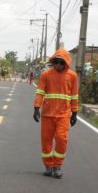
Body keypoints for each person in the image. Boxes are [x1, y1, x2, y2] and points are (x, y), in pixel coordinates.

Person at [33, 49, 79, 178]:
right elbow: (40, 92)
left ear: (66, 63)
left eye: (61, 62)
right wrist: (36, 108)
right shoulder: (46, 75)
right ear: (53, 62)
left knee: (61, 139)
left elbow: (74, 95)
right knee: (46, 141)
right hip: (47, 114)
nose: (58, 65)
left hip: (63, 115)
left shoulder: (72, 76)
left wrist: (75, 112)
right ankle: (48, 166)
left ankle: (57, 166)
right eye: (56, 62)